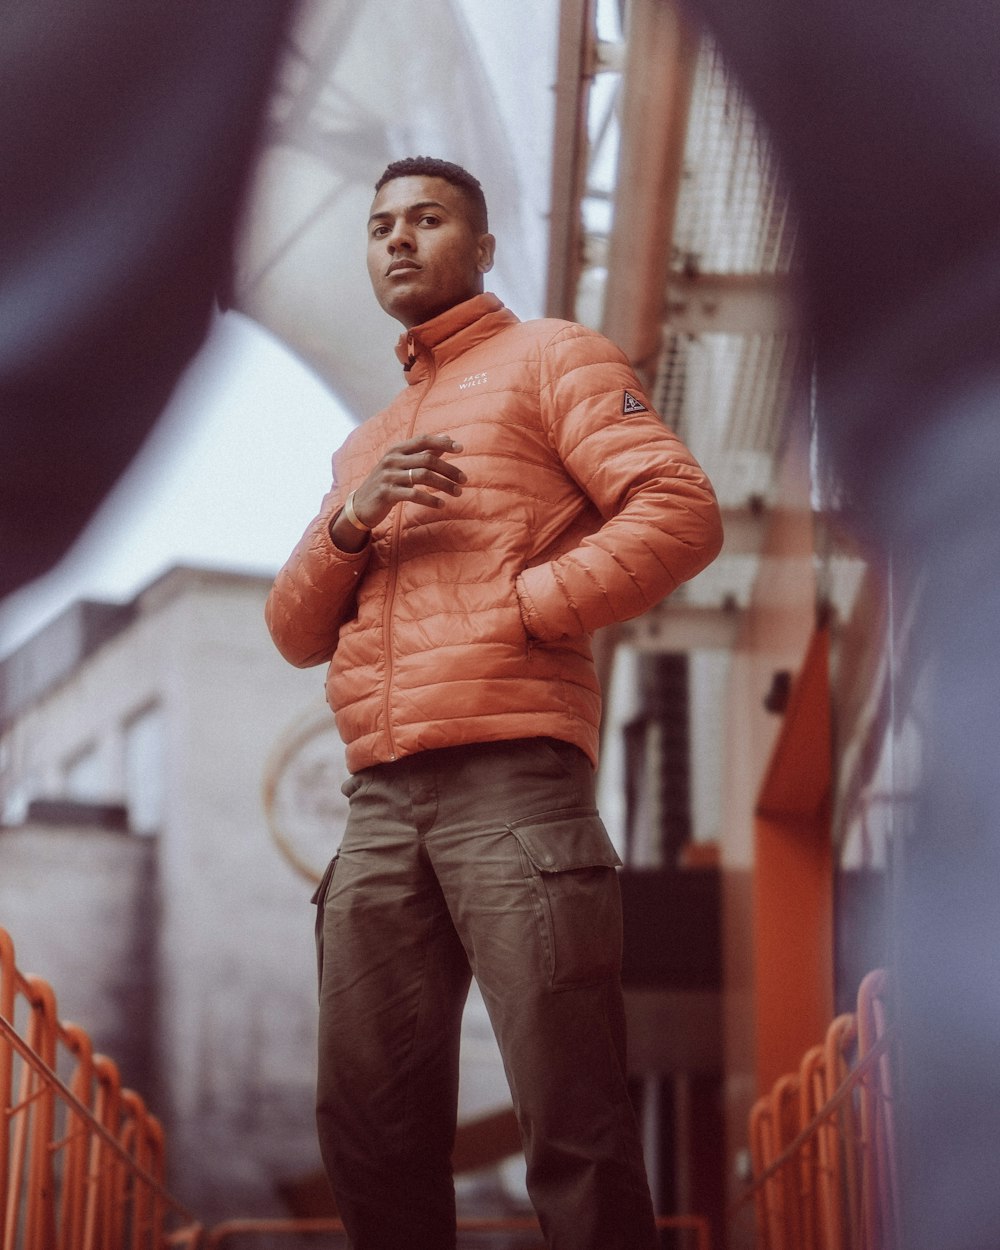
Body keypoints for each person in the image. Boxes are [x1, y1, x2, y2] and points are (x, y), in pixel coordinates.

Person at [265, 155, 724, 1250]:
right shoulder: (364, 443)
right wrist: (349, 521)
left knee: (568, 1111)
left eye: (427, 219)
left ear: (481, 246)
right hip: (377, 806)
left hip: (513, 785)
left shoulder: (553, 355)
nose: (398, 240)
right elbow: (290, 629)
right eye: (380, 224)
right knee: (366, 1126)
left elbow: (679, 510)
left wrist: (523, 608)